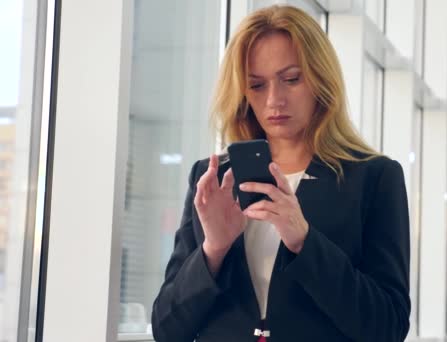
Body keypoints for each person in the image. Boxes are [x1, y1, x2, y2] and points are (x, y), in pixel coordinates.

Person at [151, 5, 410, 342]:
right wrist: (213, 249)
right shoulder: (213, 178)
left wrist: (304, 239)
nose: (275, 100)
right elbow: (166, 329)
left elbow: (387, 327)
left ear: (320, 78)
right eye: (256, 85)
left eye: (291, 79)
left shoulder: (374, 178)